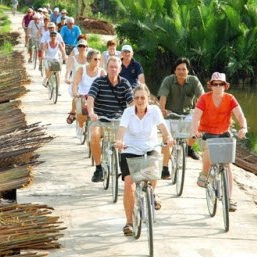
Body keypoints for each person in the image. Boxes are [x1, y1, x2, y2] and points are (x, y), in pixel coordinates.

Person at [115, 84, 174, 236]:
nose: (140, 101)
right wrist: (119, 141)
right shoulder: (128, 112)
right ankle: (129, 222)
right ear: (133, 100)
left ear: (148, 98)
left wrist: (168, 137)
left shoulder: (154, 111)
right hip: (130, 149)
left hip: (150, 147)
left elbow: (162, 126)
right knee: (129, 183)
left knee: (154, 171)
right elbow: (121, 130)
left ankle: (152, 193)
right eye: (137, 98)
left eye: (143, 98)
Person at [189, 72, 248, 211]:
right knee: (208, 149)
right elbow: (196, 117)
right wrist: (194, 130)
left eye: (220, 84)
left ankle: (229, 199)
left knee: (227, 165)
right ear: (211, 85)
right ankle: (204, 173)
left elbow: (240, 114)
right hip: (207, 133)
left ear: (225, 86)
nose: (217, 86)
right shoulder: (204, 98)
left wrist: (243, 127)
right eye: (215, 84)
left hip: (224, 133)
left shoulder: (230, 98)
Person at [87, 56, 133, 182]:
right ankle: (98, 168)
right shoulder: (98, 82)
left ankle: (125, 167)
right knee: (94, 136)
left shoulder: (124, 83)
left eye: (116, 67)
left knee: (129, 139)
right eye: (111, 67)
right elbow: (90, 98)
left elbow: (132, 101)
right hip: (100, 119)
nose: (113, 69)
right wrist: (91, 112)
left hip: (119, 120)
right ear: (106, 68)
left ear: (120, 69)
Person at [157, 57, 204, 178]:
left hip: (187, 114)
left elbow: (202, 98)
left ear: (188, 71)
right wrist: (162, 110)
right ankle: (165, 167)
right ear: (174, 71)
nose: (181, 71)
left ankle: (189, 147)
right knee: (167, 140)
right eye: (178, 69)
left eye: (184, 69)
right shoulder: (168, 80)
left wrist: (202, 111)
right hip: (170, 114)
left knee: (197, 124)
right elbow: (163, 96)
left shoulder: (194, 81)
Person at [71, 49, 106, 127]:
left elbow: (106, 86)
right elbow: (75, 83)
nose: (98, 61)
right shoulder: (81, 69)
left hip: (95, 97)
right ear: (89, 59)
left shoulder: (102, 72)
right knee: (81, 115)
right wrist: (75, 92)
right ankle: (74, 116)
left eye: (99, 59)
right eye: (95, 59)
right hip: (83, 96)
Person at [65, 39, 89, 124]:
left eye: (84, 46)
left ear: (87, 48)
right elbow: (68, 70)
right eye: (80, 46)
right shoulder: (73, 58)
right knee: (76, 95)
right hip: (76, 82)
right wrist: (67, 78)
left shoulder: (90, 59)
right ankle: (72, 112)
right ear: (77, 48)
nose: (82, 48)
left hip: (87, 83)